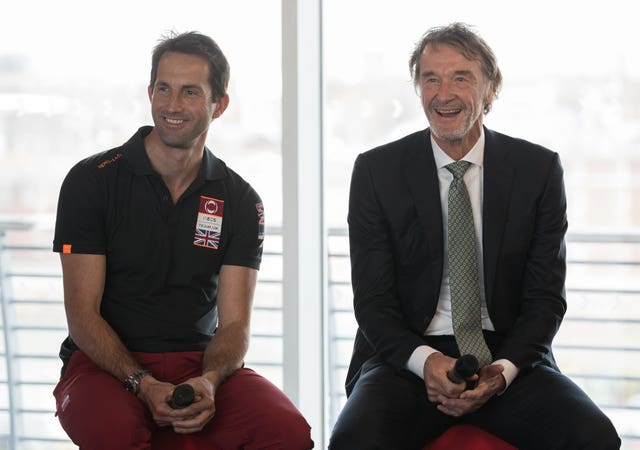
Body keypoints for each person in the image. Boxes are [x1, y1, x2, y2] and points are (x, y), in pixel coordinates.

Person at [329, 23, 620, 450]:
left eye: (460, 77)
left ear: (490, 89)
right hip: (406, 358)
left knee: (594, 438)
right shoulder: (377, 171)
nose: (443, 94)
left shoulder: (537, 171)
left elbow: (545, 300)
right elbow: (372, 303)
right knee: (354, 442)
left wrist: (501, 371)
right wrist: (425, 362)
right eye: (431, 79)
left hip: (507, 354)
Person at [52, 31, 312, 450]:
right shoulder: (91, 181)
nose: (172, 105)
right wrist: (142, 383)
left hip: (198, 363)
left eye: (190, 92)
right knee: (116, 433)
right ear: (150, 92)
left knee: (287, 433)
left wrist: (209, 381)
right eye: (163, 89)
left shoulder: (240, 200)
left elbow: (235, 325)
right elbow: (82, 316)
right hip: (103, 365)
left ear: (219, 104)